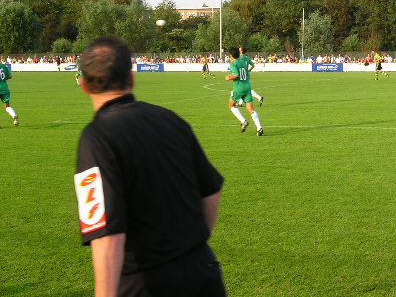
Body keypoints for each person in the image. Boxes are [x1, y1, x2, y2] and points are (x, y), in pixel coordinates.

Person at [74, 37, 226, 296]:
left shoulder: (96, 138)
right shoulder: (171, 119)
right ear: (131, 79)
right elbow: (211, 192)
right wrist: (189, 247)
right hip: (202, 272)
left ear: (84, 85)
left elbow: (106, 233)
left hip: (145, 283)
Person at [226, 47, 264, 136]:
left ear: (231, 55)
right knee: (251, 109)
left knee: (231, 105)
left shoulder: (233, 64)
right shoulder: (243, 61)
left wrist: (228, 77)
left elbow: (236, 75)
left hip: (239, 88)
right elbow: (246, 72)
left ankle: (244, 121)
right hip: (247, 87)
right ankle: (259, 128)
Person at [0, 60, 19, 126]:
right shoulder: (4, 66)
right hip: (5, 88)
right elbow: (10, 76)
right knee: (7, 106)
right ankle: (14, 115)